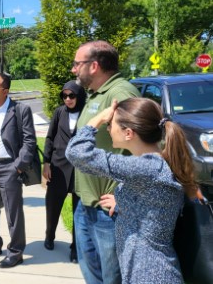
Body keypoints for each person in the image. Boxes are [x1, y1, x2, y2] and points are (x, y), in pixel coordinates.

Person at [66, 98, 198, 283]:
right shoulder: (154, 166)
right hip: (148, 270)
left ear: (128, 133)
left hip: (150, 275)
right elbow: (154, 210)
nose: (108, 128)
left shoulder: (146, 168)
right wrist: (124, 204)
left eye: (110, 124)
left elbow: (77, 153)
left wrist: (98, 119)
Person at [71, 40, 140, 284]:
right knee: (91, 270)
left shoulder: (120, 94)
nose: (73, 69)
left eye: (77, 63)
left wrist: (125, 195)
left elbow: (145, 150)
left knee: (112, 277)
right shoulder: (96, 95)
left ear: (94, 66)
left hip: (109, 210)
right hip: (86, 202)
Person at [0, 73, 37, 268]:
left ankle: (16, 251)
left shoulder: (20, 110)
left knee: (13, 212)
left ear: (5, 91)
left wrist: (18, 167)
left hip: (8, 168)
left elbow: (29, 141)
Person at [42, 80, 86, 263]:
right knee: (52, 205)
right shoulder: (60, 112)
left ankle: (76, 247)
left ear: (79, 96)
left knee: (78, 211)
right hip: (58, 167)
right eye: (64, 95)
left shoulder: (86, 112)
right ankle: (49, 235)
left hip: (79, 170)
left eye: (71, 95)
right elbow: (50, 137)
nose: (67, 99)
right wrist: (46, 163)